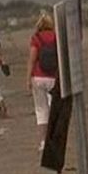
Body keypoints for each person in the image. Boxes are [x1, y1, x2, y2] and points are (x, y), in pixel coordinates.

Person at [26, 15, 57, 152]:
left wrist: (28, 78)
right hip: (54, 77)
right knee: (53, 107)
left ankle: (44, 142)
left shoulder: (36, 38)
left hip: (38, 77)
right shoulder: (56, 37)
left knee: (41, 110)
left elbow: (32, 59)